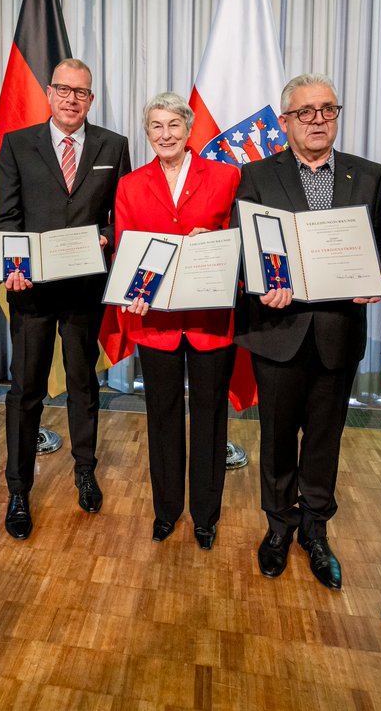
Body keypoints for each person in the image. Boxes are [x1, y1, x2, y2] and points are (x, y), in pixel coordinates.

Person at [234, 73, 381, 590]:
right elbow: (245, 246)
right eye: (306, 112)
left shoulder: (369, 175)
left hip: (338, 331)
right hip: (278, 326)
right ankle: (278, 527)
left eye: (327, 109)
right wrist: (261, 285)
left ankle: (316, 531)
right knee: (277, 438)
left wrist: (380, 274)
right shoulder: (256, 174)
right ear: (285, 122)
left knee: (325, 440)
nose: (318, 119)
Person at [0, 58, 131, 540]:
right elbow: (5, 217)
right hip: (31, 293)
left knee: (83, 386)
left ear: (92, 99)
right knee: (25, 391)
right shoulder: (17, 143)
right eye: (64, 90)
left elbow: (123, 215)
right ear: (49, 93)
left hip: (85, 291)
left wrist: (107, 238)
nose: (72, 99)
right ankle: (18, 489)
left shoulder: (115, 145)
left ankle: (85, 471)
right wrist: (14, 268)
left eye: (82, 93)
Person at [110, 92, 241, 549]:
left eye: (173, 126)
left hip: (209, 321)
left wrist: (217, 239)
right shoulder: (129, 184)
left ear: (189, 130)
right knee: (162, 417)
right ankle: (166, 511)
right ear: (148, 133)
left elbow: (239, 241)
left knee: (209, 418)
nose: (165, 135)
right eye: (156, 127)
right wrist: (133, 294)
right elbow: (127, 245)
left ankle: (205, 516)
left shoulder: (226, 176)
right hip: (156, 322)